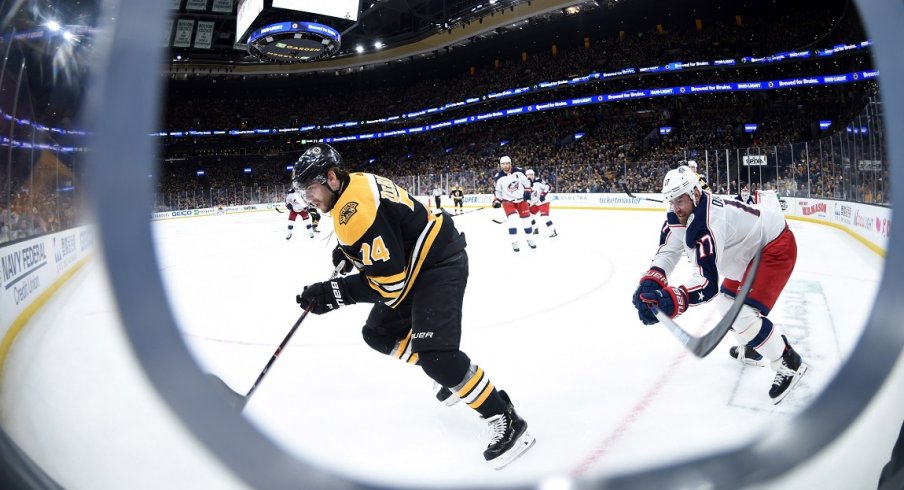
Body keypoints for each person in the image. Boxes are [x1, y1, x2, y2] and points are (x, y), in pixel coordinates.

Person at [291, 143, 535, 469]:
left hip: (439, 262)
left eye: (311, 188)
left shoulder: (354, 213)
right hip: (417, 265)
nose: (308, 198)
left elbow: (390, 288)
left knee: (437, 357)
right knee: (377, 332)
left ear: (331, 178)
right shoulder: (357, 181)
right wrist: (349, 252)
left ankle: (505, 418)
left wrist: (334, 293)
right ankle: (451, 378)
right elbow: (386, 226)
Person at [631, 165, 808, 404]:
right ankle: (754, 345)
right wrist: (649, 283)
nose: (675, 208)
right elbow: (668, 251)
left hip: (773, 246)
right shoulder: (681, 214)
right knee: (727, 304)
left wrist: (670, 301)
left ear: (695, 193)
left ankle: (787, 360)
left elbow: (706, 284)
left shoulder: (710, 224)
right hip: (746, 253)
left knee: (741, 313)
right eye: (671, 201)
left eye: (680, 200)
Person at [492, 155, 535, 252]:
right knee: (512, 219)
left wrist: (527, 192)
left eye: (507, 163)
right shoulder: (498, 177)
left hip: (521, 200)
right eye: (503, 164)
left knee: (527, 221)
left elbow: (527, 183)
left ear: (510, 164)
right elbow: (497, 191)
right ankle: (514, 241)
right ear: (500, 165)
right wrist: (497, 200)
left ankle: (530, 239)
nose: (506, 166)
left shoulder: (519, 171)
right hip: (508, 201)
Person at [525, 169, 557, 238]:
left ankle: (553, 232)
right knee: (528, 213)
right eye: (527, 175)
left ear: (533, 175)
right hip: (536, 203)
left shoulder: (538, 181)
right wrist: (528, 203)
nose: (529, 176)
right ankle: (535, 229)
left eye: (530, 175)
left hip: (543, 202)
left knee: (544, 217)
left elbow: (548, 186)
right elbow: (530, 196)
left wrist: (543, 194)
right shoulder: (526, 184)